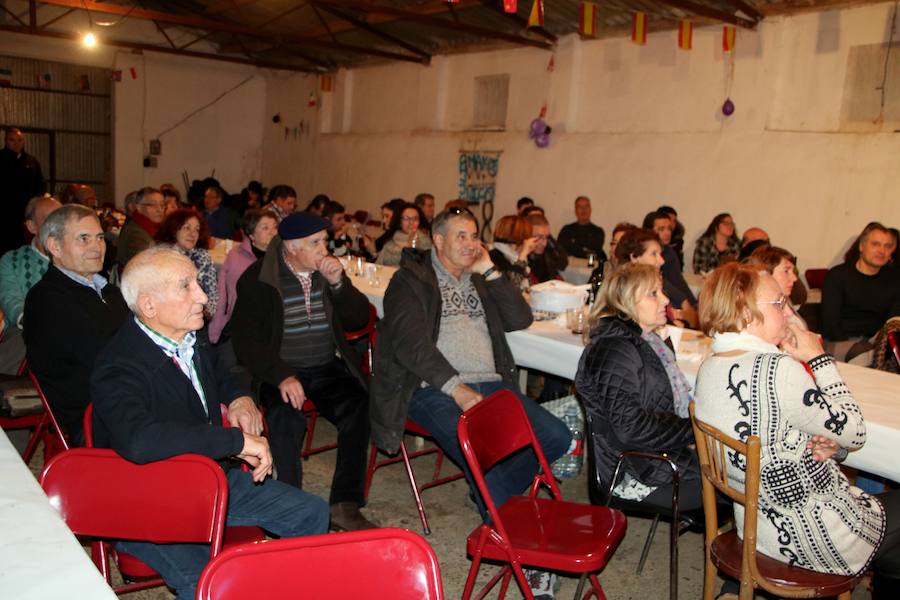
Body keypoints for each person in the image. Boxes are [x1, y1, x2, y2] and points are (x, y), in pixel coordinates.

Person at [90, 246, 328, 600]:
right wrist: (235, 442)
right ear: (149, 305)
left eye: (198, 283)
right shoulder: (119, 366)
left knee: (311, 512)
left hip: (204, 479)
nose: (203, 295)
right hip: (146, 500)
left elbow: (220, 369)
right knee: (209, 582)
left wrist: (239, 397)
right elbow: (139, 441)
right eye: (186, 286)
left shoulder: (189, 335)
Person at [371, 206, 570, 599]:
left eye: (475, 235)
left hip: (493, 384)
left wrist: (492, 270)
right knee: (485, 455)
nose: (471, 243)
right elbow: (413, 347)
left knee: (555, 436)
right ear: (438, 240)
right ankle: (526, 561)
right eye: (460, 235)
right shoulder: (409, 282)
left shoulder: (480, 280)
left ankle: (489, 498)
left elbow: (521, 318)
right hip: (431, 388)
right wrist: (456, 389)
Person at [694, 262, 900, 596]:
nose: (789, 313)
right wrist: (818, 358)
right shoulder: (777, 370)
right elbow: (856, 432)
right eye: (779, 304)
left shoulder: (711, 365)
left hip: (755, 526)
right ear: (744, 311)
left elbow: (776, 433)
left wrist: (834, 447)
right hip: (807, 535)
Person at [230, 212, 376, 531]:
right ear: (292, 247)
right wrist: (281, 374)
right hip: (280, 368)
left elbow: (358, 319)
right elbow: (245, 340)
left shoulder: (326, 274)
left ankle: (344, 503)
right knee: (285, 416)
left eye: (324, 240)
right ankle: (289, 504)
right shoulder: (259, 280)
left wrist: (340, 284)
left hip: (324, 366)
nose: (325, 248)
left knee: (359, 405)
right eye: (316, 242)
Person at [575, 263, 700, 512]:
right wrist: (694, 429)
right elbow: (629, 428)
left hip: (655, 456)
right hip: (636, 470)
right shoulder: (615, 350)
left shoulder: (647, 342)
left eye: (661, 292)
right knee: (740, 486)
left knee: (737, 468)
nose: (665, 300)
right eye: (653, 294)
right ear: (625, 301)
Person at [23, 204, 129, 445]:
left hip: (126, 401)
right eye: (84, 238)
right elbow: (106, 358)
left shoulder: (111, 292)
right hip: (95, 419)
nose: (96, 246)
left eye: (100, 238)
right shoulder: (47, 299)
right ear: (55, 246)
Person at [822, 222, 900, 353]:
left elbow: (893, 321)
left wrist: (880, 346)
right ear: (861, 246)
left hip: (877, 343)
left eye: (888, 246)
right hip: (841, 342)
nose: (882, 251)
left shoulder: (895, 279)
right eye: (875, 244)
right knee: (863, 354)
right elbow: (831, 325)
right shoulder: (838, 276)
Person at [209, 209, 278, 344]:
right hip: (243, 322)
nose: (273, 232)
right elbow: (224, 296)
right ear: (251, 234)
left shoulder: (281, 257)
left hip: (274, 323)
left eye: (275, 227)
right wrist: (215, 332)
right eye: (265, 228)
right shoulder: (236, 256)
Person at [0, 195, 62, 335]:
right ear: (32, 226)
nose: (59, 227)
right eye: (50, 220)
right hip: (28, 335)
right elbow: (10, 299)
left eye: (62, 219)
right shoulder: (12, 260)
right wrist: (28, 319)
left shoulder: (75, 258)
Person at [155, 209, 219, 319]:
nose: (193, 234)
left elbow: (213, 298)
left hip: (197, 316)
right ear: (173, 229)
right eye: (187, 228)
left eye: (197, 230)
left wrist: (201, 313)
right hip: (165, 316)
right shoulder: (160, 257)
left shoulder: (201, 257)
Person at [642, 213, 698, 326]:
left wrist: (694, 305)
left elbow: (679, 281)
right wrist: (683, 300)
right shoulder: (644, 258)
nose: (667, 233)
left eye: (669, 229)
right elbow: (663, 282)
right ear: (648, 231)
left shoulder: (669, 252)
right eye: (661, 229)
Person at [0, 127, 46, 256]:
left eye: (20, 140)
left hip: (26, 216)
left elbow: (41, 184)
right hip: (5, 217)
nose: (16, 143)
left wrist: (36, 201)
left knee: (25, 249)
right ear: (5, 141)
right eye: (12, 140)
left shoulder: (31, 162)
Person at [745, 245, 807, 329]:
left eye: (793, 271)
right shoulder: (760, 311)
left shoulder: (784, 300)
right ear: (765, 273)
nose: (795, 278)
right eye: (786, 271)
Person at [117, 187, 166, 270]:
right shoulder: (136, 234)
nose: (159, 210)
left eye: (162, 205)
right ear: (139, 208)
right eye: (153, 205)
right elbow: (149, 267)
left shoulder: (156, 227)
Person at [488, 215, 536, 291]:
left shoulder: (514, 257)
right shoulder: (493, 258)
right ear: (520, 238)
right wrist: (523, 254)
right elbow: (512, 288)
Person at [376, 202, 431, 266]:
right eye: (406, 218)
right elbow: (378, 264)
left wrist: (411, 247)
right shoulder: (392, 238)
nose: (411, 222)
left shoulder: (425, 241)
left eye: (415, 219)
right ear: (400, 221)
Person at [557, 196, 606, 260]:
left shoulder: (598, 232)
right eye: (580, 207)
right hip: (570, 267)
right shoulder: (566, 230)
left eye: (586, 206)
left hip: (590, 266)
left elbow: (594, 253)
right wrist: (585, 250)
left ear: (590, 210)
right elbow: (560, 250)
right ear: (575, 211)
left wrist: (574, 245)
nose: (583, 209)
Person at [526, 213, 568, 284]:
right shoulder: (518, 259)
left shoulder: (545, 253)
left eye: (546, 237)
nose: (544, 243)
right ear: (526, 235)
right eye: (539, 237)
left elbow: (562, 264)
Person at [657, 205, 686, 270]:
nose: (672, 224)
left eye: (674, 221)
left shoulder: (678, 240)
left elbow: (679, 265)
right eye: (669, 219)